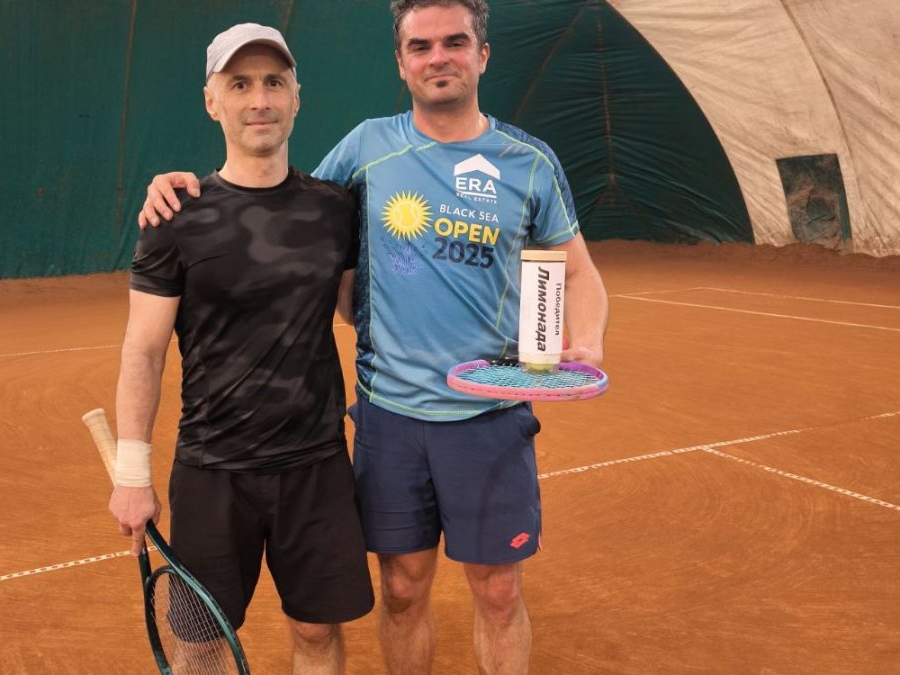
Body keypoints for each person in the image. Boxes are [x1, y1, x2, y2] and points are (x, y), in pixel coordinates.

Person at [137, 2, 609, 673]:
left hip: (491, 417)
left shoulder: (529, 162)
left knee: (500, 592)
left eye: (454, 42)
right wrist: (183, 189)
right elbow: (279, 197)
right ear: (401, 62)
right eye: (421, 46)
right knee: (402, 589)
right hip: (391, 420)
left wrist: (585, 341)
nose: (438, 57)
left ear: (483, 54)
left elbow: (578, 271)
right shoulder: (367, 147)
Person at [108, 23, 373, 675]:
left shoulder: (336, 210)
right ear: (212, 101)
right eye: (240, 84)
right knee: (201, 643)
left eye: (274, 83)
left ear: (296, 98)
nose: (259, 99)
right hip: (212, 473)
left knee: (316, 631)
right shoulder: (174, 217)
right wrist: (133, 473)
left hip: (315, 465)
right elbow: (143, 351)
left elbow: (360, 312)